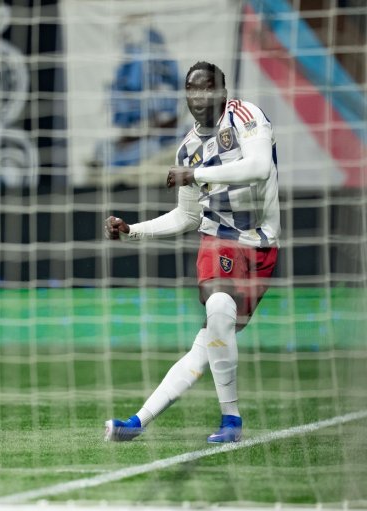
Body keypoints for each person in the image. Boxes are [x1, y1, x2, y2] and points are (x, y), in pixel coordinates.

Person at [103, 61, 280, 443]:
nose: (197, 98)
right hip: (218, 240)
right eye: (191, 91)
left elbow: (260, 167)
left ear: (223, 90)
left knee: (210, 341)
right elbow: (186, 216)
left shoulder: (246, 116)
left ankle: (138, 422)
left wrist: (197, 175)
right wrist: (133, 232)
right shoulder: (189, 149)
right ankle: (230, 419)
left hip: (262, 246)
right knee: (218, 308)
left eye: (205, 89)